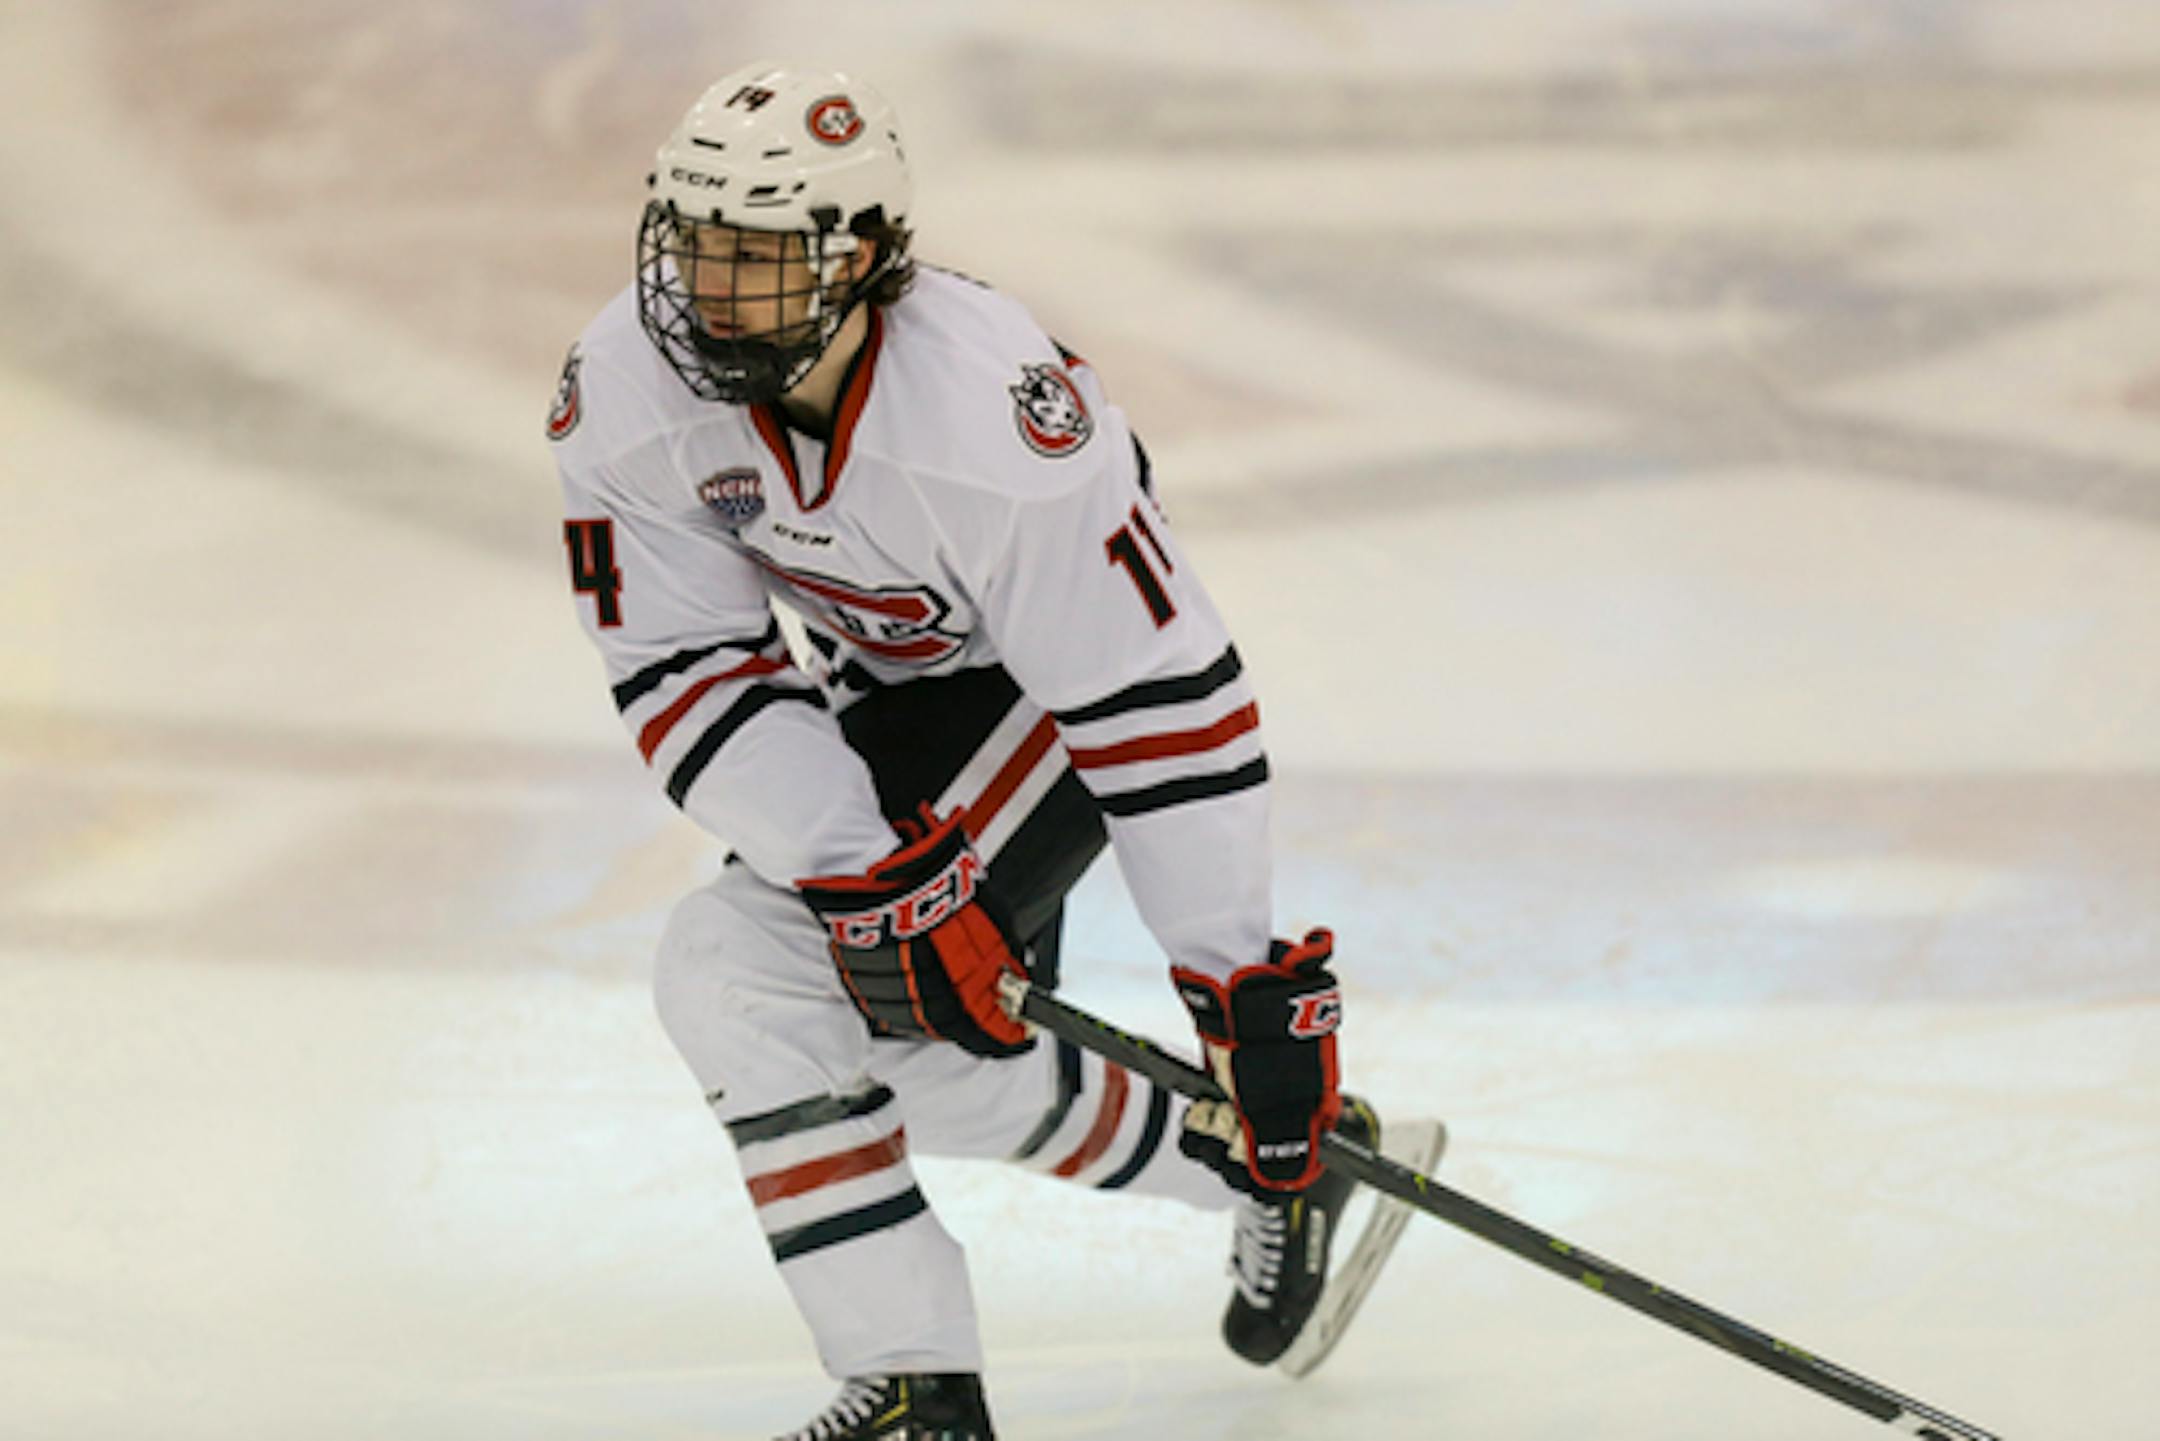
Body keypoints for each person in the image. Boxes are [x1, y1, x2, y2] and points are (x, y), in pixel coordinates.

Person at [550, 60, 1379, 1440]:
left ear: (864, 258)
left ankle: (920, 1392)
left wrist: (1231, 986)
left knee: (739, 971)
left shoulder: (995, 419)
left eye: (754, 256)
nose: (705, 287)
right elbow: (686, 665)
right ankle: (1280, 1178)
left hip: (1042, 696)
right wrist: (870, 867)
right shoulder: (625, 393)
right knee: (907, 1056)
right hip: (900, 693)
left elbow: (1153, 701)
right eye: (692, 242)